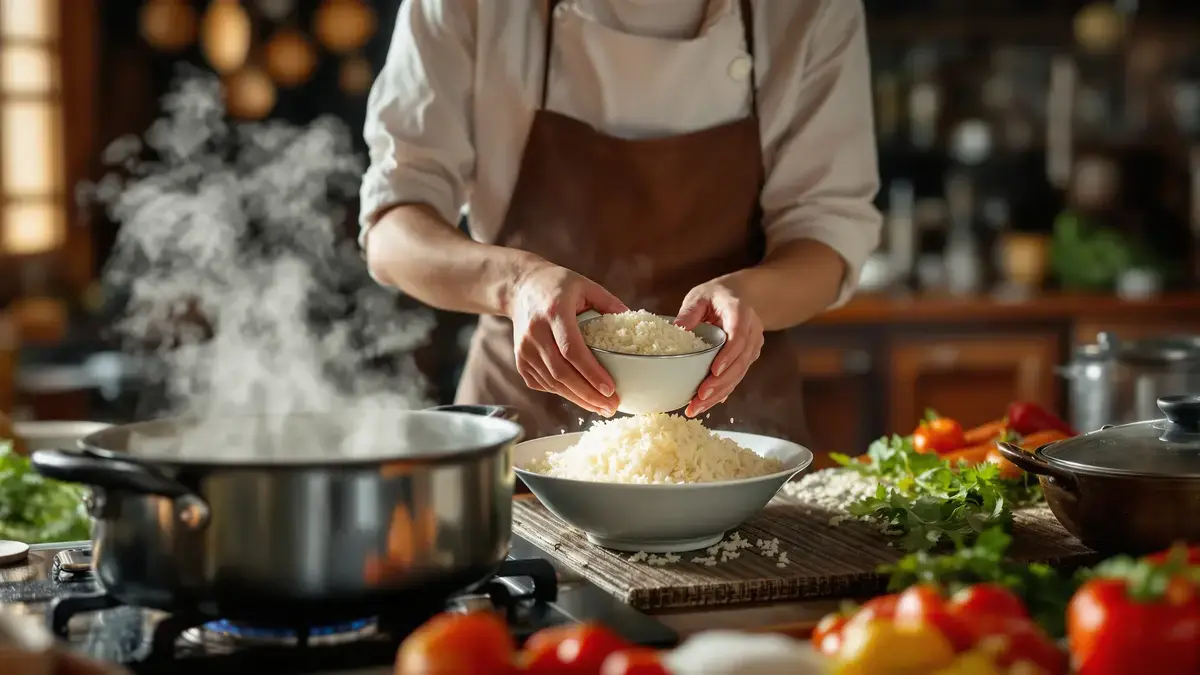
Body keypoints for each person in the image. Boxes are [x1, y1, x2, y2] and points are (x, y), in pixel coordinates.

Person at [360, 0, 882, 442]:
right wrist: (517, 285)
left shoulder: (810, 10)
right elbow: (393, 228)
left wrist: (754, 297)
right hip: (525, 423)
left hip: (734, 430)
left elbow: (827, 235)